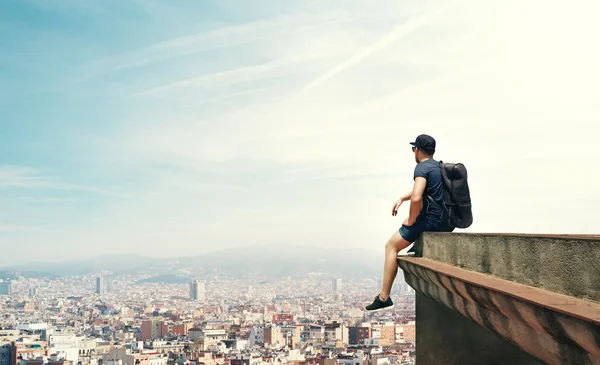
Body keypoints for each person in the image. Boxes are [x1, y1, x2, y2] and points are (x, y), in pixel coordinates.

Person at [366, 134, 453, 311]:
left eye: (414, 149)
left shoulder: (422, 168)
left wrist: (412, 219)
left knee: (391, 246)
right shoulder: (438, 167)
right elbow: (425, 191)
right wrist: (402, 198)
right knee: (412, 228)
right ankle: (416, 240)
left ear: (417, 150)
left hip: (430, 222)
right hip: (446, 222)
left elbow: (417, 196)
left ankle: (384, 297)